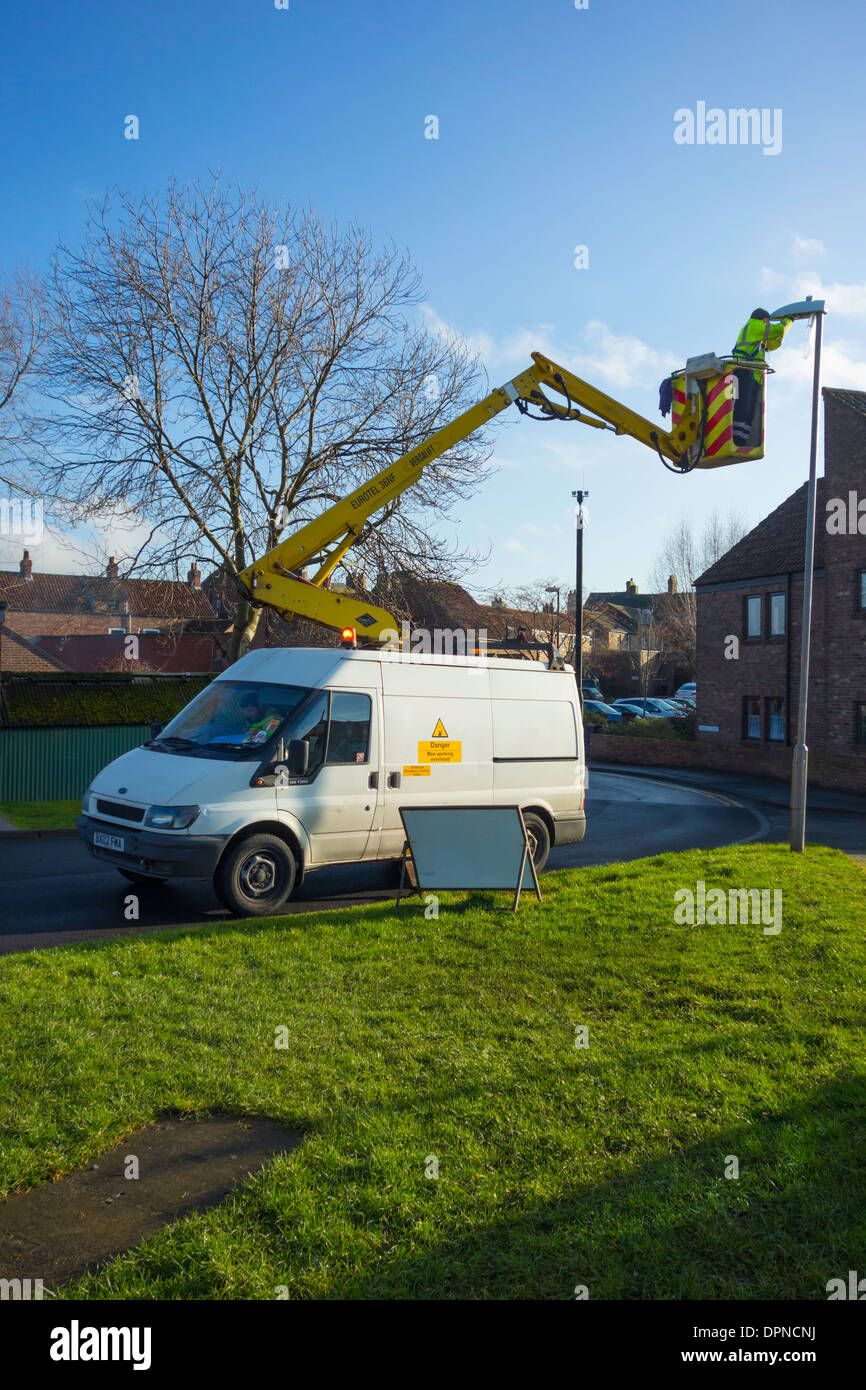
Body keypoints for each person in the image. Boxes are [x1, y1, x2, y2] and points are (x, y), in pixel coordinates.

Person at [731, 308, 791, 446]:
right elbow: (778, 329)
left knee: (749, 412)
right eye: (767, 322)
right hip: (744, 373)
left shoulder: (756, 333)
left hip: (750, 375)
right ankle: (736, 440)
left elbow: (773, 343)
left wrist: (780, 335)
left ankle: (741, 440)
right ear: (764, 320)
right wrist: (790, 320)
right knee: (743, 409)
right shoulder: (754, 326)